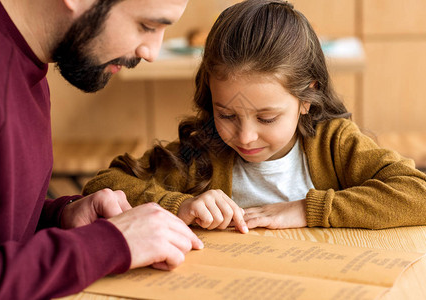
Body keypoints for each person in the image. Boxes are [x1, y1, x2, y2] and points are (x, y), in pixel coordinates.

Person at [83, 0, 426, 232]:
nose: (245, 137)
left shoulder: (335, 143)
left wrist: (308, 209)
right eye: (227, 114)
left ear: (307, 97)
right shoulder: (201, 150)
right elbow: (102, 187)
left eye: (266, 118)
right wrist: (179, 205)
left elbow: (417, 194)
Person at [0, 0, 205, 299]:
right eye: (147, 26)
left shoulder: (26, 57)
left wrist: (61, 217)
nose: (150, 52)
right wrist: (106, 244)